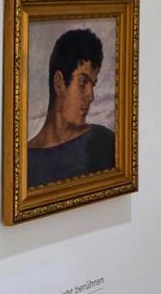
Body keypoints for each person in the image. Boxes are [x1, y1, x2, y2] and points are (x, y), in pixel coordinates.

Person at [27, 28, 115, 187]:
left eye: (92, 85)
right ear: (59, 83)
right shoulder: (25, 162)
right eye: (83, 82)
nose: (91, 96)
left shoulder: (104, 142)